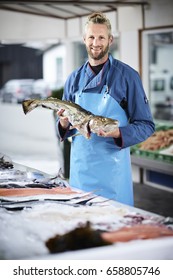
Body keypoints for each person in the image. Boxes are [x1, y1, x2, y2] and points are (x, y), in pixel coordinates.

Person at [56, 12, 155, 206]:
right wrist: (63, 123)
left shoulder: (128, 76)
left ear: (110, 40)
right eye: (91, 37)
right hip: (80, 173)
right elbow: (62, 129)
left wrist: (119, 132)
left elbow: (146, 125)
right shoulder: (73, 79)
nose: (96, 42)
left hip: (113, 177)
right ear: (84, 39)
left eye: (101, 37)